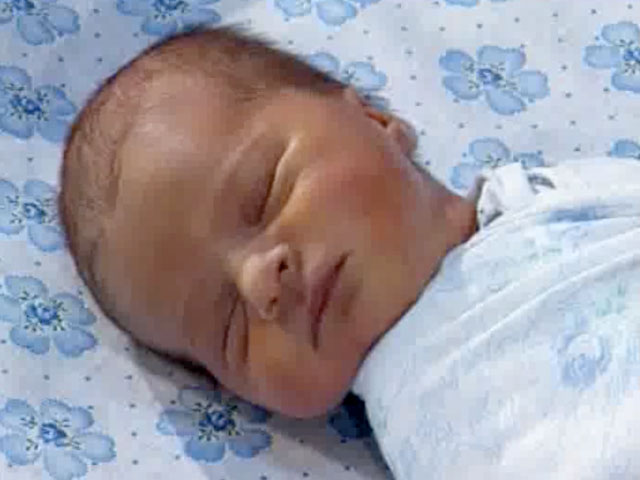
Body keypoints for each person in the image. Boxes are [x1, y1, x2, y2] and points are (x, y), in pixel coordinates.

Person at [60, 26, 640, 479]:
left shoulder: (556, 192)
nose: (261, 282)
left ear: (376, 121)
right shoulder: (427, 403)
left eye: (266, 192)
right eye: (227, 326)